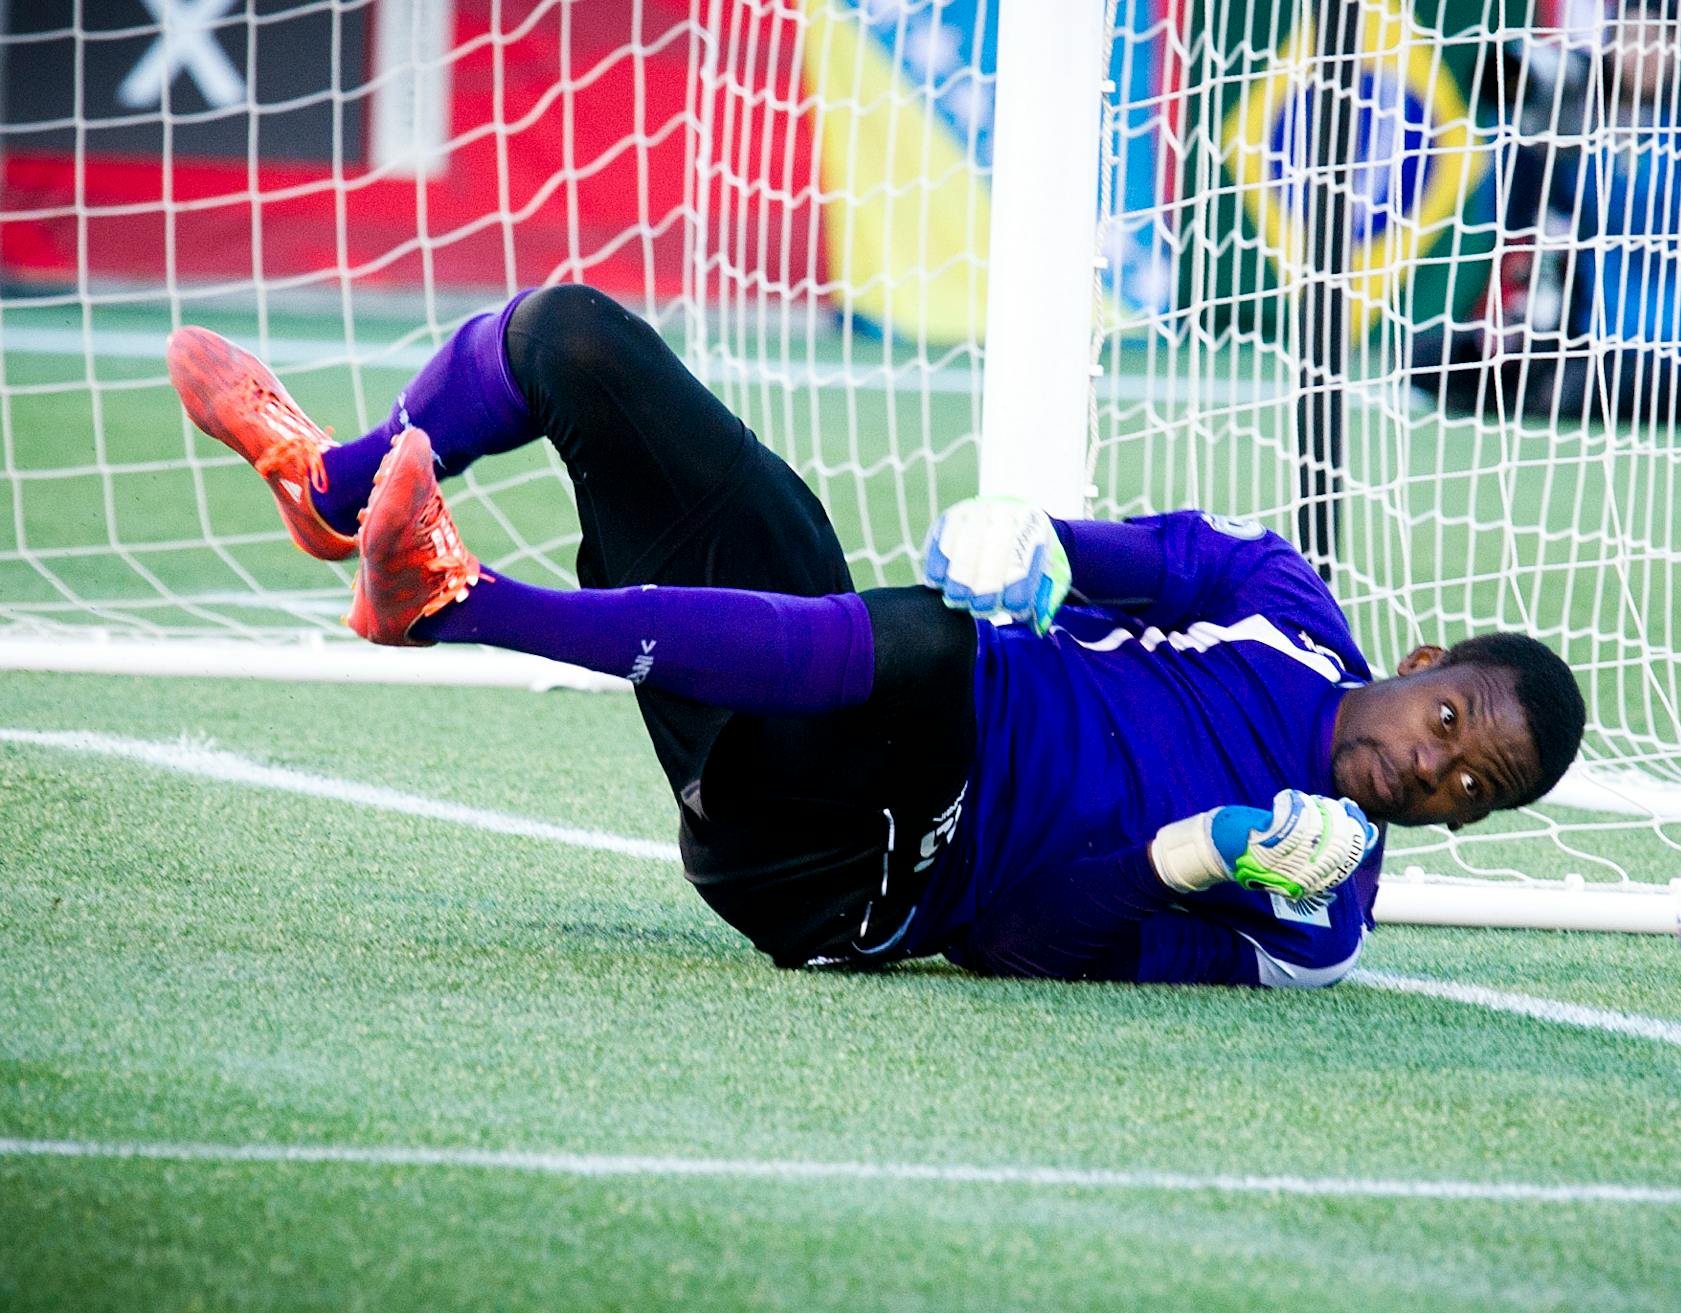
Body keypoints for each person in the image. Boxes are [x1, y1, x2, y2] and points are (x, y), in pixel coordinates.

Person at [167, 283, 1584, 987]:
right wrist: (1030, 549)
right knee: (576, 340)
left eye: (1477, 789)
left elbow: (1010, 938)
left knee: (931, 652)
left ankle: (452, 605)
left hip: (863, 874)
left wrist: (1198, 854)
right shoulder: (1284, 607)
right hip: (832, 685)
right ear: (1418, 667)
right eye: (1454, 727)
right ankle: (333, 491)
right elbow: (1122, 559)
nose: (1438, 772)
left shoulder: (1315, 917)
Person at [1415, 0, 1681, 425]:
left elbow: (1672, 222)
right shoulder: (1590, 120)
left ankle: (1542, 394)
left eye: (1651, 41)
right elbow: (1506, 216)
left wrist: (1599, 141)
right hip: (1593, 337)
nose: (1637, 54)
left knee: (1584, 388)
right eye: (1626, 39)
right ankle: (1537, 390)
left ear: (1679, 50)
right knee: (1432, 359)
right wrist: (1529, 133)